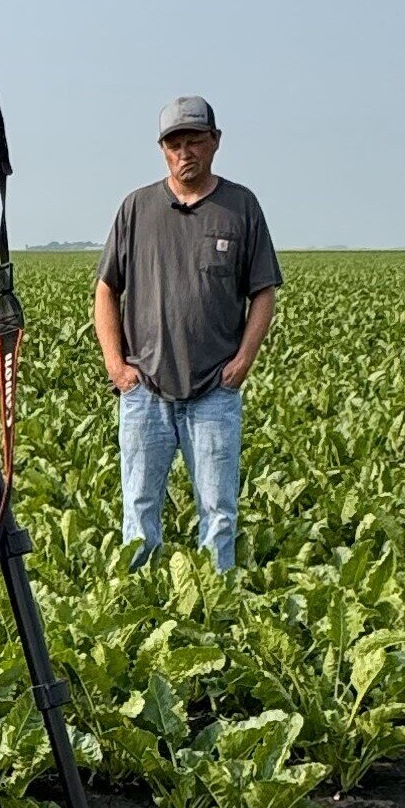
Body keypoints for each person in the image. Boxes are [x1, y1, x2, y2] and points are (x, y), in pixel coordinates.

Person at [93, 96, 281, 573]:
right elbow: (105, 290)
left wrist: (243, 362)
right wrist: (117, 367)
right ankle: (138, 602)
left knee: (218, 512)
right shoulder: (136, 208)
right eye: (174, 143)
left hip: (214, 390)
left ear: (214, 142)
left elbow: (263, 291)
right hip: (145, 391)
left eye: (194, 140)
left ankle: (217, 608)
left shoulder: (240, 207)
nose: (184, 152)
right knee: (138, 509)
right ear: (162, 149)